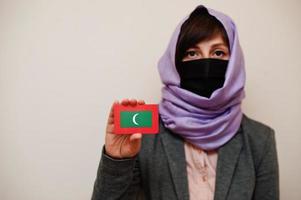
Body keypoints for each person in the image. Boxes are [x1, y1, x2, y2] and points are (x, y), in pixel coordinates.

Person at [91, 5, 279, 200]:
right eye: (192, 53)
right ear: (176, 62)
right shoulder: (143, 132)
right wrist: (117, 160)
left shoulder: (260, 140)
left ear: (234, 64)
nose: (206, 63)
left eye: (218, 53)